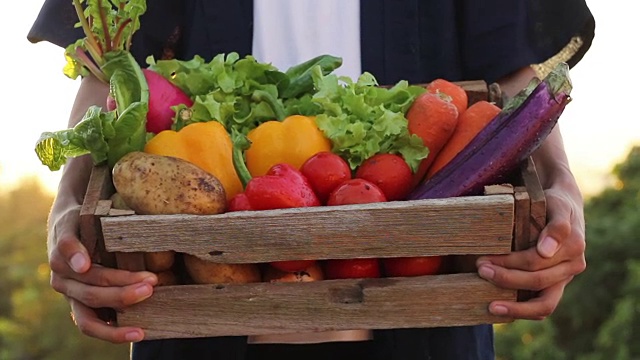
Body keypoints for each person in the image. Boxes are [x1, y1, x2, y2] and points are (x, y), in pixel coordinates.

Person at [28, 0, 594, 359]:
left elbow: (514, 71)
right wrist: (69, 209)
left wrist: (561, 186)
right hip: (195, 322)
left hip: (426, 320)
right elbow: (109, 71)